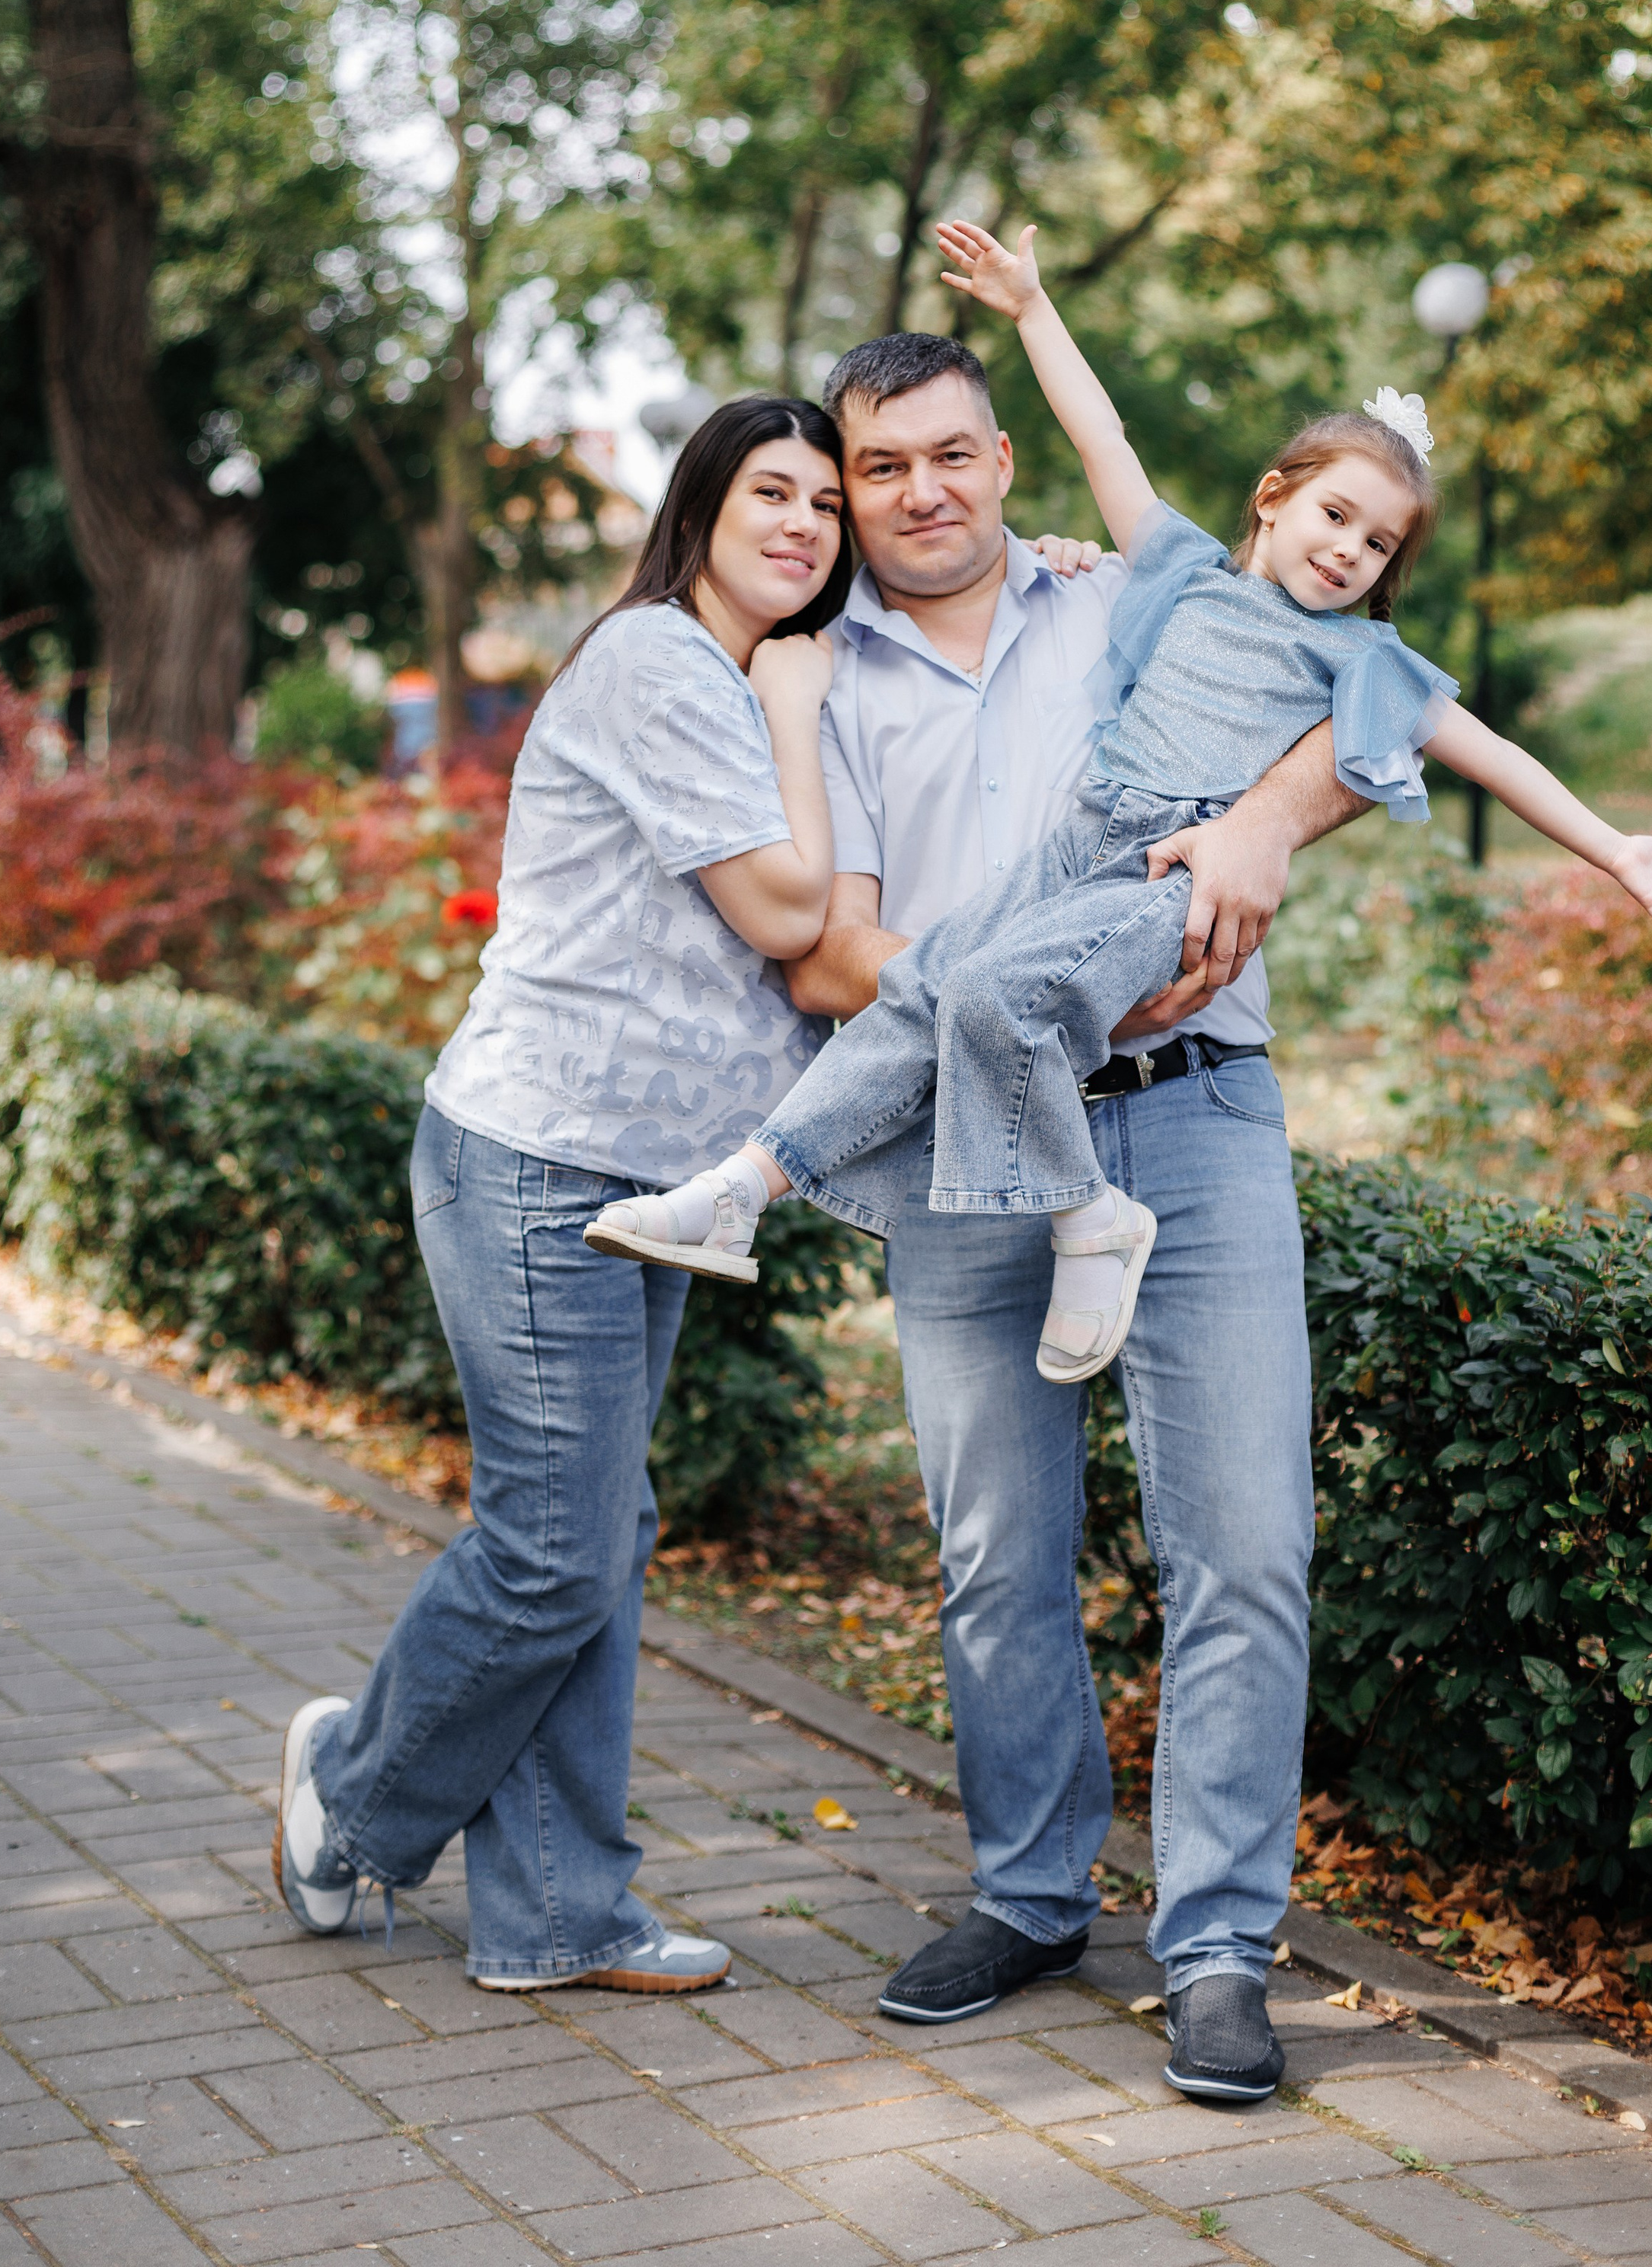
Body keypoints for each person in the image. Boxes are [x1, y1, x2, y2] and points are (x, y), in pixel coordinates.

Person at [602, 318, 1366, 2106]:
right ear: (848, 490)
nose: (918, 491)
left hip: (1192, 1123)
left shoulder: (1130, 600)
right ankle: (1028, 1897)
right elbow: (827, 957)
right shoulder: (814, 681)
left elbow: (1361, 707)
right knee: (994, 1561)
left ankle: (1213, 1948)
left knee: (1240, 1545)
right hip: (959, 1136)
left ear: (1003, 459)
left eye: (950, 453)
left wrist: (1260, 826)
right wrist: (1028, 980)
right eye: (880, 467)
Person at [593, 225, 1652, 1397]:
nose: (1350, 551)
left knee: (989, 991)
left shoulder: (1366, 662)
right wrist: (1030, 306)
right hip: (1088, 831)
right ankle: (741, 1192)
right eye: (1335, 515)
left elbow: (1491, 753)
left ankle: (1088, 1216)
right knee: (920, 988)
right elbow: (1102, 435)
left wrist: (1615, 851)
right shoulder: (1172, 568)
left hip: (1172, 866)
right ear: (1273, 499)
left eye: (1380, 542)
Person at [269, 395, 850, 1991]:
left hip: (634, 1174)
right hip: (539, 1157)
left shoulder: (731, 674)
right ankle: (348, 1800)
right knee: (549, 1550)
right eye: (770, 493)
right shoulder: (666, 663)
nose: (804, 524)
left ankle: (548, 1915)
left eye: (825, 504)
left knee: (592, 1532)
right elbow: (790, 906)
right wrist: (798, 707)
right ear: (701, 508)